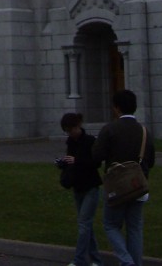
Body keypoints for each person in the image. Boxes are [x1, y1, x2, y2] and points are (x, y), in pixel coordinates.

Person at [92, 89, 155, 266]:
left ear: (116, 108)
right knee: (134, 228)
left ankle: (127, 262)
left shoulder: (109, 129)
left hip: (117, 186)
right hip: (138, 184)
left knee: (111, 225)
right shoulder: (144, 131)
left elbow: (96, 156)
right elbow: (151, 161)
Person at [59, 111, 103, 266]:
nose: (71, 134)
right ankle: (96, 260)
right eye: (67, 131)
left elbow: (96, 162)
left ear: (78, 126)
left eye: (72, 130)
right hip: (77, 186)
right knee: (86, 225)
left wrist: (77, 161)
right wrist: (64, 163)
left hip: (90, 186)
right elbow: (71, 163)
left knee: (84, 224)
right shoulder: (70, 143)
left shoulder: (90, 141)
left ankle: (79, 260)